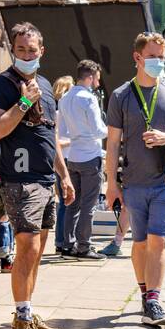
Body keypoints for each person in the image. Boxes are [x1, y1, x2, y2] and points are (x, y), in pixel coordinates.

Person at [0, 22, 75, 329]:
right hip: (19, 180)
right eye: (20, 50)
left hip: (45, 179)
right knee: (28, 248)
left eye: (31, 50)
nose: (26, 55)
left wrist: (63, 176)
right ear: (13, 50)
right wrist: (22, 104)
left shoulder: (47, 86)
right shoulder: (1, 85)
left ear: (41, 52)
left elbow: (50, 137)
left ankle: (27, 312)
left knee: (37, 252)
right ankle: (22, 319)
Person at [106, 32, 165, 328]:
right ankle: (145, 293)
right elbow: (113, 143)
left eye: (162, 56)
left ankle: (154, 300)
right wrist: (111, 184)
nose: (159, 61)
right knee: (140, 243)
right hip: (133, 182)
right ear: (138, 58)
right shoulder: (121, 95)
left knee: (159, 241)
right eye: (154, 56)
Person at [59, 60, 107, 259]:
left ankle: (67, 245)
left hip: (73, 156)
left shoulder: (65, 98)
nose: (98, 81)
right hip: (90, 155)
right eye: (97, 77)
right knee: (89, 204)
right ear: (90, 77)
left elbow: (61, 130)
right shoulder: (89, 98)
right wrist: (112, 132)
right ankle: (84, 246)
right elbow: (98, 130)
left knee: (73, 203)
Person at [52, 75, 74, 255]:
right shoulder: (59, 114)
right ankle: (62, 240)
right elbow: (56, 141)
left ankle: (62, 240)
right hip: (64, 161)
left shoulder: (64, 112)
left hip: (69, 160)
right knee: (66, 203)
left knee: (65, 203)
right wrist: (74, 141)